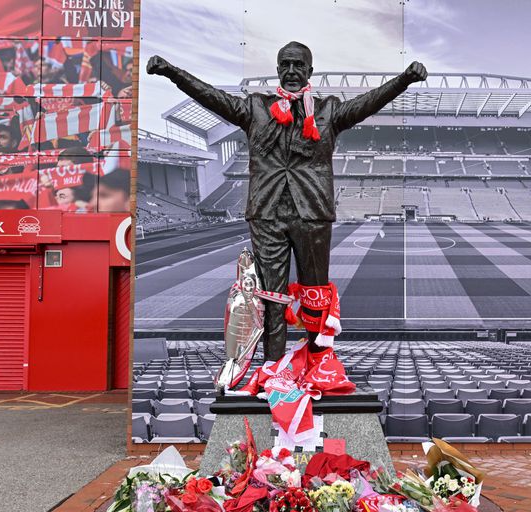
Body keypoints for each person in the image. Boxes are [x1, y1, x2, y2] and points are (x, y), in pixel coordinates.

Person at [147, 42, 427, 362]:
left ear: (310, 71)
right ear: (278, 70)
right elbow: (211, 96)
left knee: (316, 298)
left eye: (298, 65)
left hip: (312, 213)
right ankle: (273, 371)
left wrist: (404, 79)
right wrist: (172, 73)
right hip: (267, 214)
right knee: (271, 301)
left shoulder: (329, 111)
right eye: (285, 64)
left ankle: (318, 366)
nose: (292, 70)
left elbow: (368, 102)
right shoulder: (254, 107)